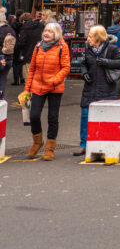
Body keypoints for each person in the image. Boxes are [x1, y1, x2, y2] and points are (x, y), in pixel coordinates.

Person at [74, 25, 120, 156]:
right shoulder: (88, 49)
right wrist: (84, 72)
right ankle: (83, 144)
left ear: (98, 38)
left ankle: (105, 144)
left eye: (91, 36)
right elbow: (83, 63)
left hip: (107, 89)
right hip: (90, 88)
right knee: (85, 116)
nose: (88, 39)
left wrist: (106, 62)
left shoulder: (112, 49)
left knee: (106, 118)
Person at [24, 20, 71, 160]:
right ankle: (37, 142)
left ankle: (50, 148)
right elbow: (32, 68)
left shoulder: (62, 47)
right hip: (38, 86)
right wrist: (27, 89)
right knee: (33, 115)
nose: (46, 33)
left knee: (52, 117)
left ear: (56, 34)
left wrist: (54, 80)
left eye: (50, 31)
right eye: (45, 31)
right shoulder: (38, 46)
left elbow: (66, 68)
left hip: (55, 87)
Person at [15, 12, 43, 81]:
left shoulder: (24, 28)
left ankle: (30, 90)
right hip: (40, 53)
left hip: (27, 54)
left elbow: (22, 42)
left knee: (28, 76)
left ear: (23, 21)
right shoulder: (40, 25)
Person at [0, 8, 16, 100]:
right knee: (3, 78)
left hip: (1, 57)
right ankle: (1, 97)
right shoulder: (10, 30)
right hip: (9, 57)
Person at [11, 11, 28, 85]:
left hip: (16, 44)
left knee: (15, 63)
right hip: (23, 45)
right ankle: (22, 78)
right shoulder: (25, 26)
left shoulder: (13, 24)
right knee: (22, 62)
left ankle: (16, 80)